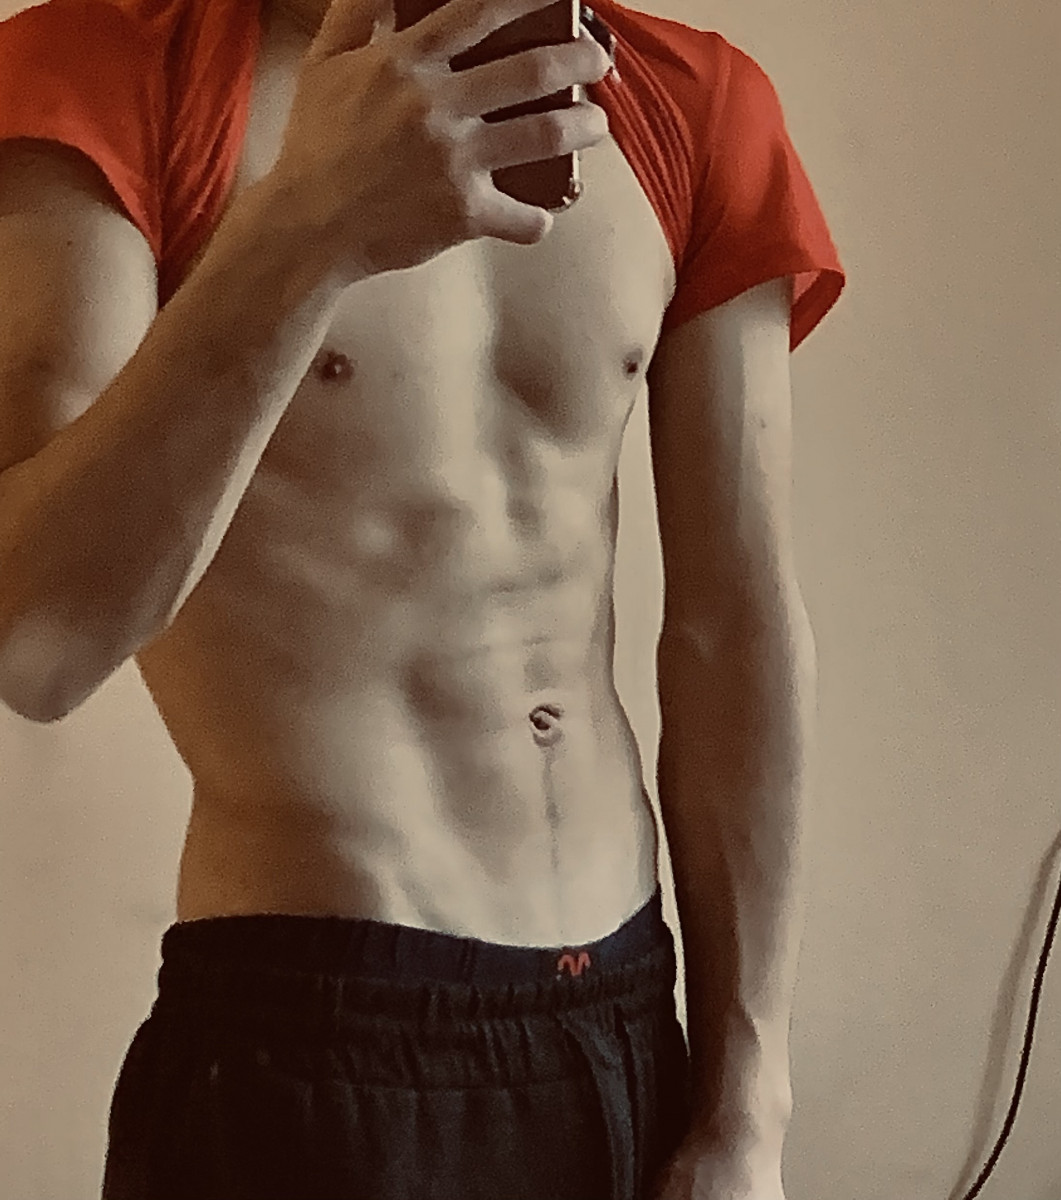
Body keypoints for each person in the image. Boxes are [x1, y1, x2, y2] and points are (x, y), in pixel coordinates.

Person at [0, 0, 844, 1194]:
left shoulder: (690, 102)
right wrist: (306, 229)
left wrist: (745, 1111)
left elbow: (733, 629)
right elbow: (39, 644)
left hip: (618, 1016)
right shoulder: (106, 71)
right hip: (308, 1030)